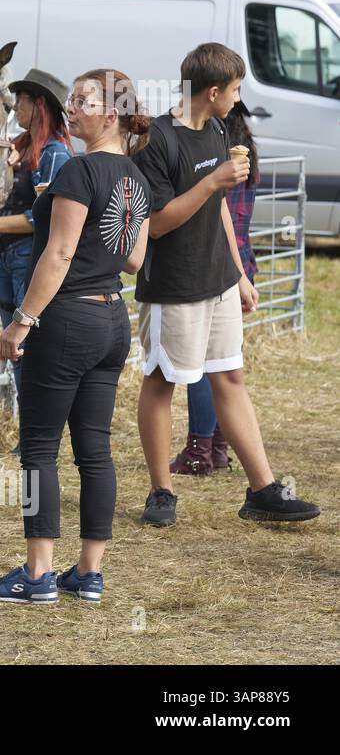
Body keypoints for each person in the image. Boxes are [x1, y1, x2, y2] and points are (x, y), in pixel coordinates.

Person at [0, 69, 152, 605]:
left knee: (38, 449)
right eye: (72, 100)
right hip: (111, 321)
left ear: (112, 112)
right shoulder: (136, 177)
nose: (71, 109)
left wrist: (21, 321)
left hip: (65, 321)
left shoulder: (78, 173)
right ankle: (88, 573)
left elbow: (57, 253)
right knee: (94, 449)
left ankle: (37, 575)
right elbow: (134, 259)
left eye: (81, 102)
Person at [132, 43, 319, 526]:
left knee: (231, 377)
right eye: (234, 90)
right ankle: (161, 492)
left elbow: (218, 213)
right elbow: (156, 223)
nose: (237, 101)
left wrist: (238, 275)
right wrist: (214, 180)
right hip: (173, 286)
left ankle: (263, 491)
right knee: (160, 382)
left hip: (217, 282)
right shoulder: (157, 139)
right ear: (212, 91)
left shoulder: (216, 129)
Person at [0, 69, 74, 397]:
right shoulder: (21, 148)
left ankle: (33, 432)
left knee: (28, 348)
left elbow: (43, 216)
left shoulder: (55, 153)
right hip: (7, 256)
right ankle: (26, 425)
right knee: (13, 348)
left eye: (20, 103)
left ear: (38, 104)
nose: (14, 110)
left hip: (28, 256)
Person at [171, 99, 258, 475]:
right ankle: (220, 448)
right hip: (241, 263)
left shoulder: (218, 160)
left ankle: (200, 449)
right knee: (225, 363)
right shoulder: (246, 159)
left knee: (207, 366)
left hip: (219, 264)